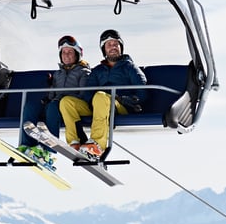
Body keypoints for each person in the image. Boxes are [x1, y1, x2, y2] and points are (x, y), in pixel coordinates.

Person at [58, 28, 146, 158]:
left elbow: (143, 92)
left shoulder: (130, 67)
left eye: (116, 44)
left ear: (121, 47)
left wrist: (125, 99)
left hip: (120, 106)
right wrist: (91, 103)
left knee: (100, 96)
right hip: (99, 105)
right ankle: (75, 142)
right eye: (109, 45)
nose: (113, 47)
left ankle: (97, 145)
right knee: (66, 102)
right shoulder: (98, 71)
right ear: (104, 49)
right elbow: (88, 91)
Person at [17, 35, 91, 164]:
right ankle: (27, 145)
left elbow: (84, 94)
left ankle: (48, 151)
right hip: (55, 104)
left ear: (77, 54)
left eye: (70, 52)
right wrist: (47, 98)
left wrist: (59, 101)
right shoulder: (58, 74)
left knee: (53, 107)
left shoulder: (84, 72)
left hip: (70, 107)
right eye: (63, 52)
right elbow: (52, 94)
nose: (66, 55)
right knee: (31, 106)